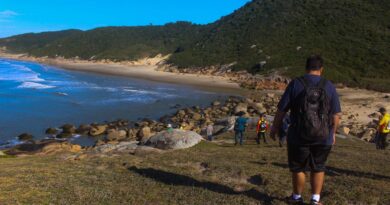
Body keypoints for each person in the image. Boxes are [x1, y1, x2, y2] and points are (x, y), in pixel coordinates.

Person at [270, 55, 341, 205]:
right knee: (318, 167)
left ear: (306, 68)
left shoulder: (296, 83)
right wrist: (333, 133)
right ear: (321, 69)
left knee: (298, 167)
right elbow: (336, 114)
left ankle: (296, 198)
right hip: (323, 136)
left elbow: (281, 110)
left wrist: (275, 128)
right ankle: (315, 200)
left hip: (298, 135)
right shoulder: (328, 86)